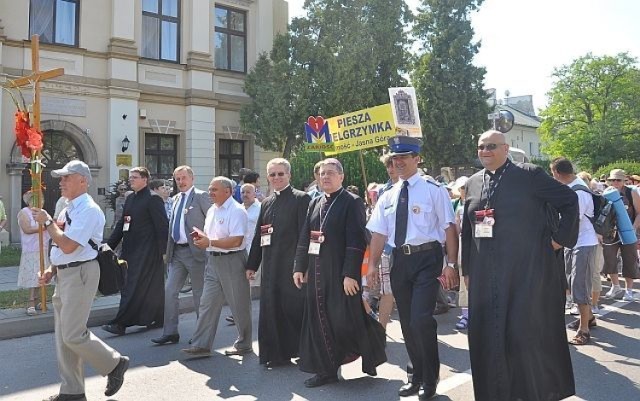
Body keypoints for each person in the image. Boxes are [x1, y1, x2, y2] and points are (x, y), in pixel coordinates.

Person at [461, 130, 579, 401]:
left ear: (506, 149)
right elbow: (469, 228)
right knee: (488, 334)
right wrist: (467, 268)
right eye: (480, 147)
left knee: (522, 333)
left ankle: (531, 393)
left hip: (525, 270)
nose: (485, 151)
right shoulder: (474, 182)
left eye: (491, 146)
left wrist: (558, 241)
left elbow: (569, 202)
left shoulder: (529, 175)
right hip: (484, 271)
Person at [367, 137, 459, 400]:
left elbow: (449, 228)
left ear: (417, 159)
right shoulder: (388, 195)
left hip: (427, 258)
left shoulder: (433, 189)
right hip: (400, 260)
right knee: (407, 322)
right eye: (395, 159)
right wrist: (372, 265)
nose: (399, 162)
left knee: (420, 319)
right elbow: (378, 233)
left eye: (404, 157)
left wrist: (451, 264)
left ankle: (430, 377)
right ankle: (415, 374)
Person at [33, 160, 129, 401]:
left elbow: (68, 244)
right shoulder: (67, 208)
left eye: (67, 177)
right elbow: (59, 244)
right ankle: (72, 392)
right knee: (63, 338)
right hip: (65, 273)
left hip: (81, 273)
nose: (61, 182)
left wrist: (47, 222)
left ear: (83, 181)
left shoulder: (89, 209)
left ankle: (114, 363)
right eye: (61, 177)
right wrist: (52, 270)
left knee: (73, 334)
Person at [294, 158, 386, 388]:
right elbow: (305, 238)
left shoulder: (351, 202)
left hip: (339, 273)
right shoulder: (315, 202)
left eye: (331, 173)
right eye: (322, 173)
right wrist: (299, 267)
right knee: (320, 321)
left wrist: (350, 274)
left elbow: (356, 241)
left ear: (341, 177)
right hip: (316, 273)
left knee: (346, 319)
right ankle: (326, 370)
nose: (325, 176)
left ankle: (370, 353)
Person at [246, 158, 310, 368]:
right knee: (272, 310)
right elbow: (259, 236)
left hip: (292, 267)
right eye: (272, 174)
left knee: (294, 310)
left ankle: (303, 350)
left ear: (289, 175)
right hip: (271, 266)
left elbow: (305, 235)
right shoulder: (266, 202)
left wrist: (303, 266)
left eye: (280, 174)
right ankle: (276, 354)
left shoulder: (302, 199)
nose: (276, 178)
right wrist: (252, 265)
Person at [181, 176, 252, 357]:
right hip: (212, 261)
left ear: (227, 192)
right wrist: (202, 237)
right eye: (210, 189)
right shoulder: (212, 210)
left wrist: (209, 241)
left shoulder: (237, 211)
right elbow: (212, 237)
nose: (210, 193)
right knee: (207, 303)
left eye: (214, 189)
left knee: (238, 305)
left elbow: (237, 240)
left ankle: (244, 343)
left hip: (232, 260)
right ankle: (201, 345)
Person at [103, 167, 169, 335]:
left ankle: (120, 324)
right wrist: (109, 245)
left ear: (145, 179)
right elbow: (123, 224)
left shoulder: (153, 199)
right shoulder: (131, 198)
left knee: (133, 287)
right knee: (145, 287)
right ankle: (157, 318)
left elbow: (162, 227)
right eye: (130, 177)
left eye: (135, 177)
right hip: (130, 250)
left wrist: (164, 252)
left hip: (148, 251)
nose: (130, 180)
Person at [151, 166, 211, 345]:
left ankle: (202, 336)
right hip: (177, 252)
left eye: (184, 178)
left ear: (192, 178)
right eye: (177, 179)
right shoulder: (176, 199)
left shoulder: (200, 196)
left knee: (199, 295)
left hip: (196, 253)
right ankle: (170, 332)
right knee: (170, 291)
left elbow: (212, 220)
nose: (181, 182)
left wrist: (209, 242)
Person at [551, 157, 599, 345]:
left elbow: (572, 221)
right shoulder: (574, 187)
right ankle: (589, 318)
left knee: (579, 285)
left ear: (557, 172)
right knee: (572, 282)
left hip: (583, 243)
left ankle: (584, 329)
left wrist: (556, 240)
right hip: (574, 243)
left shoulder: (577, 192)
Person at [602, 169, 640, 301]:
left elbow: (639, 212)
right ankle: (615, 286)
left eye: (618, 180)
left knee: (629, 260)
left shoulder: (631, 192)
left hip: (628, 232)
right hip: (611, 232)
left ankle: (629, 290)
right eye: (612, 180)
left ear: (624, 181)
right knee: (609, 258)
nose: (615, 182)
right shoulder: (606, 193)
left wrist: (633, 228)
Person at [17, 191, 51, 316]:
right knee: (33, 276)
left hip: (43, 248)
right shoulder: (24, 212)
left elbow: (51, 224)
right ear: (30, 201)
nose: (40, 201)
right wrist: (44, 228)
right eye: (37, 199)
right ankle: (30, 302)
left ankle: (39, 300)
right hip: (31, 249)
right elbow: (27, 229)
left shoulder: (43, 212)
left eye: (42, 199)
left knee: (42, 275)